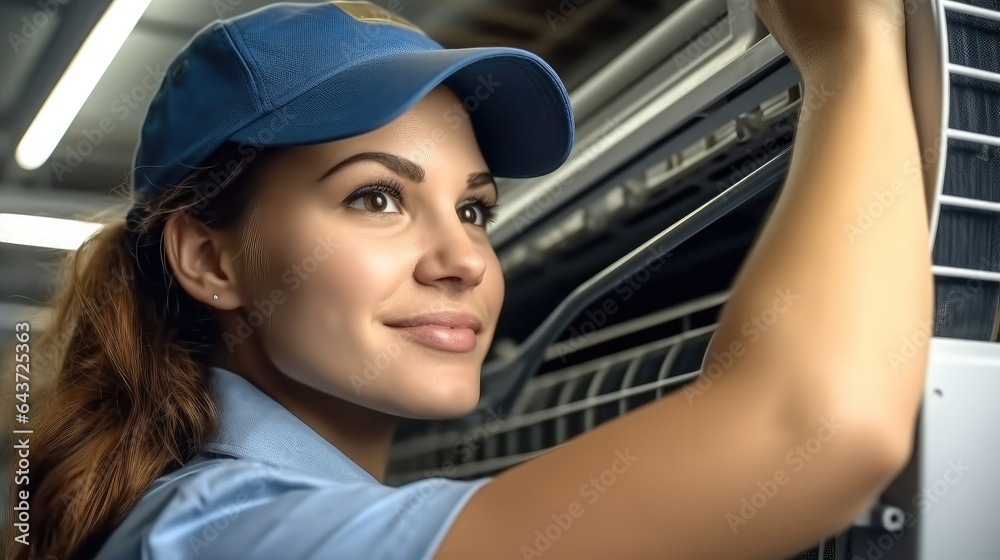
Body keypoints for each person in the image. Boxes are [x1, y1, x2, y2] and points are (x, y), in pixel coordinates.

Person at [3, 0, 932, 558]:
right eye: (375, 198)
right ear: (211, 259)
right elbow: (815, 427)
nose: (462, 259)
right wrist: (847, 51)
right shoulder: (223, 532)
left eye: (475, 207)